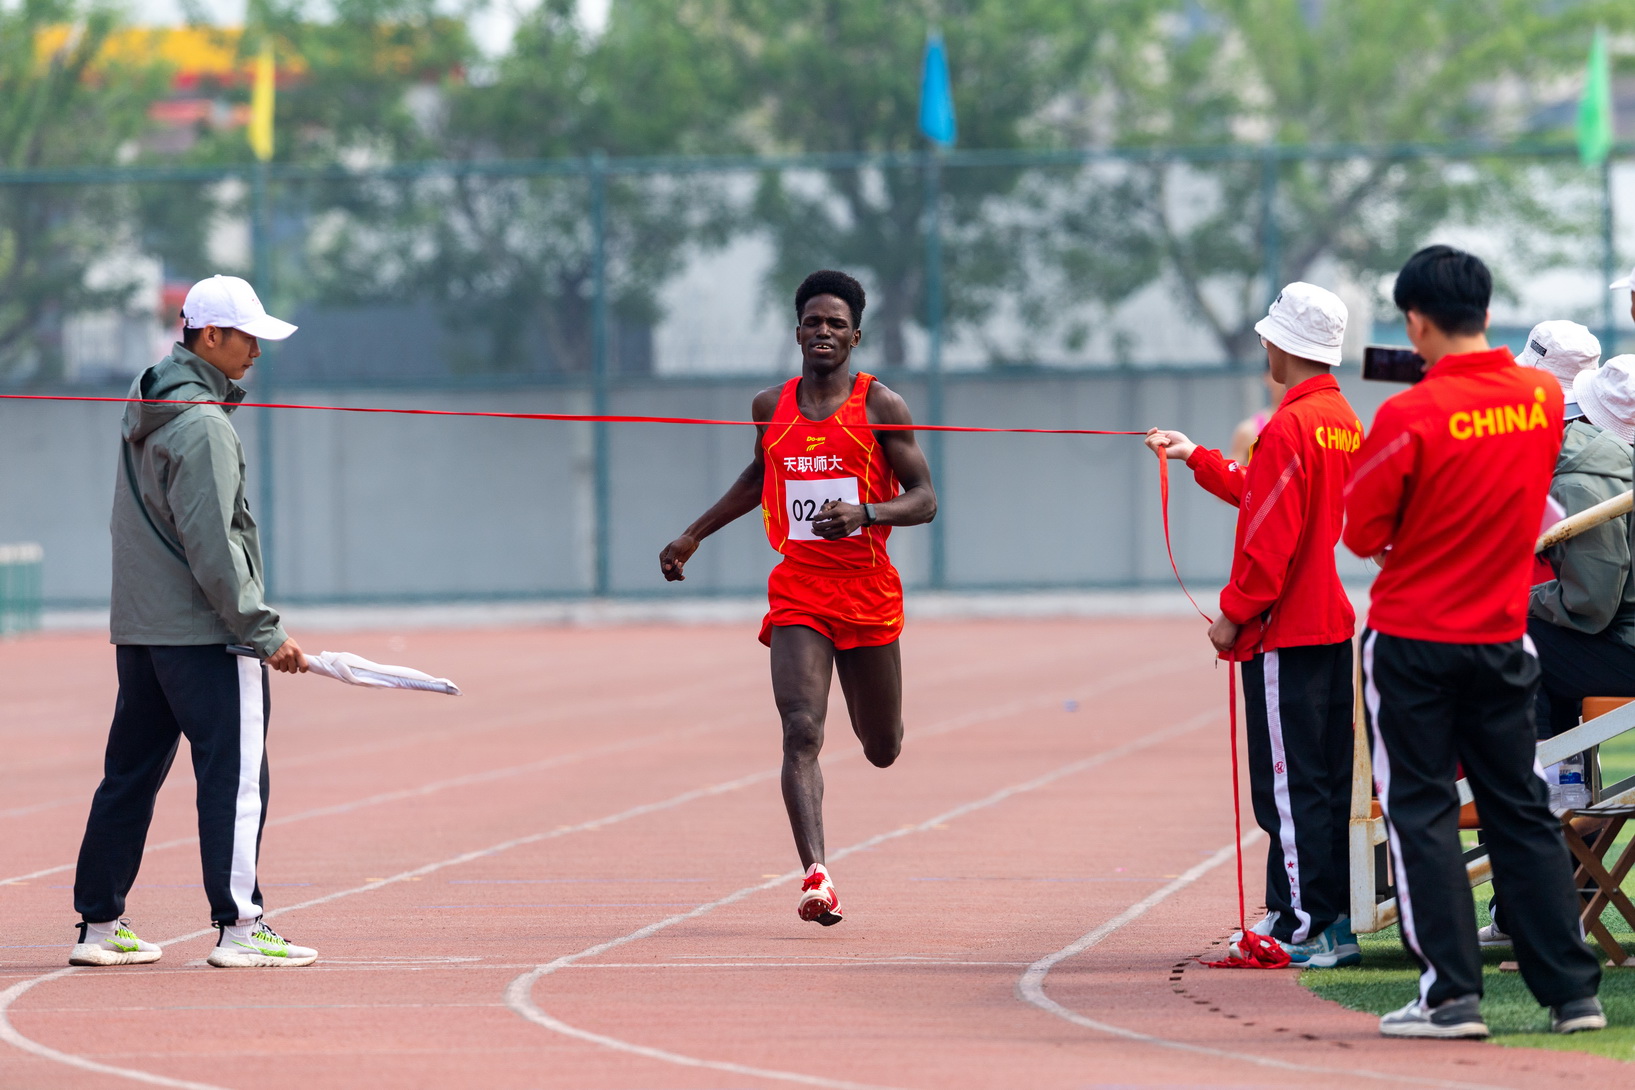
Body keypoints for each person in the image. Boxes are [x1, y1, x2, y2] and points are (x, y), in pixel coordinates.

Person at [1343, 245, 1603, 1038]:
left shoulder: (1407, 414)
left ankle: (1449, 996)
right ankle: (1572, 995)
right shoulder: (1537, 397)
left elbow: (1361, 532)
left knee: (1420, 810)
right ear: (1486, 313)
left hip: (1414, 638)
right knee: (1519, 808)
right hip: (1503, 634)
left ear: (1414, 324)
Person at [659, 270, 936, 925]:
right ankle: (817, 876)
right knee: (801, 729)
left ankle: (875, 738)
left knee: (882, 747)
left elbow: (924, 499)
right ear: (797, 332)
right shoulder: (770, 406)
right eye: (813, 322)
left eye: (837, 324)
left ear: (855, 337)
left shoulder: (881, 406)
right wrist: (693, 534)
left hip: (866, 590)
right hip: (800, 590)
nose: (823, 332)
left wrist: (865, 512)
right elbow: (760, 474)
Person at [70, 275, 319, 970]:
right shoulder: (204, 424)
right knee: (236, 778)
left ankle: (98, 926)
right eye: (248, 339)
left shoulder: (147, 401)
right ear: (210, 336)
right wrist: (264, 631)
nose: (257, 353)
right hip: (206, 634)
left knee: (128, 775)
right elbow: (213, 544)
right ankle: (241, 927)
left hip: (142, 630)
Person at [1146, 283, 1362, 968]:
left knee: (1289, 788)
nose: (1264, 345)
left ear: (1284, 345)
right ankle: (1310, 911)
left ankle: (1306, 924)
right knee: (1321, 779)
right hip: (1327, 624)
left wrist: (1233, 613)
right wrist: (1196, 456)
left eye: (1269, 336)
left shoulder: (1289, 424)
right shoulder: (1338, 418)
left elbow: (1269, 538)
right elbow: (1267, 492)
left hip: (1286, 629)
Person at [1481, 353, 1635, 948]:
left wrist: (1522, 600)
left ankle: (1554, 790)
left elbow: (1591, 604)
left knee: (1515, 647)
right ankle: (1563, 794)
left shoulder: (1581, 478)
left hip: (1623, 641)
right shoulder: (1600, 465)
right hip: (1619, 637)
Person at [1229, 365, 1287, 465]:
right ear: (1266, 377)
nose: (1285, 383)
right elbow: (1231, 471)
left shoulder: (1308, 425)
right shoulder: (1248, 431)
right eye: (1282, 373)